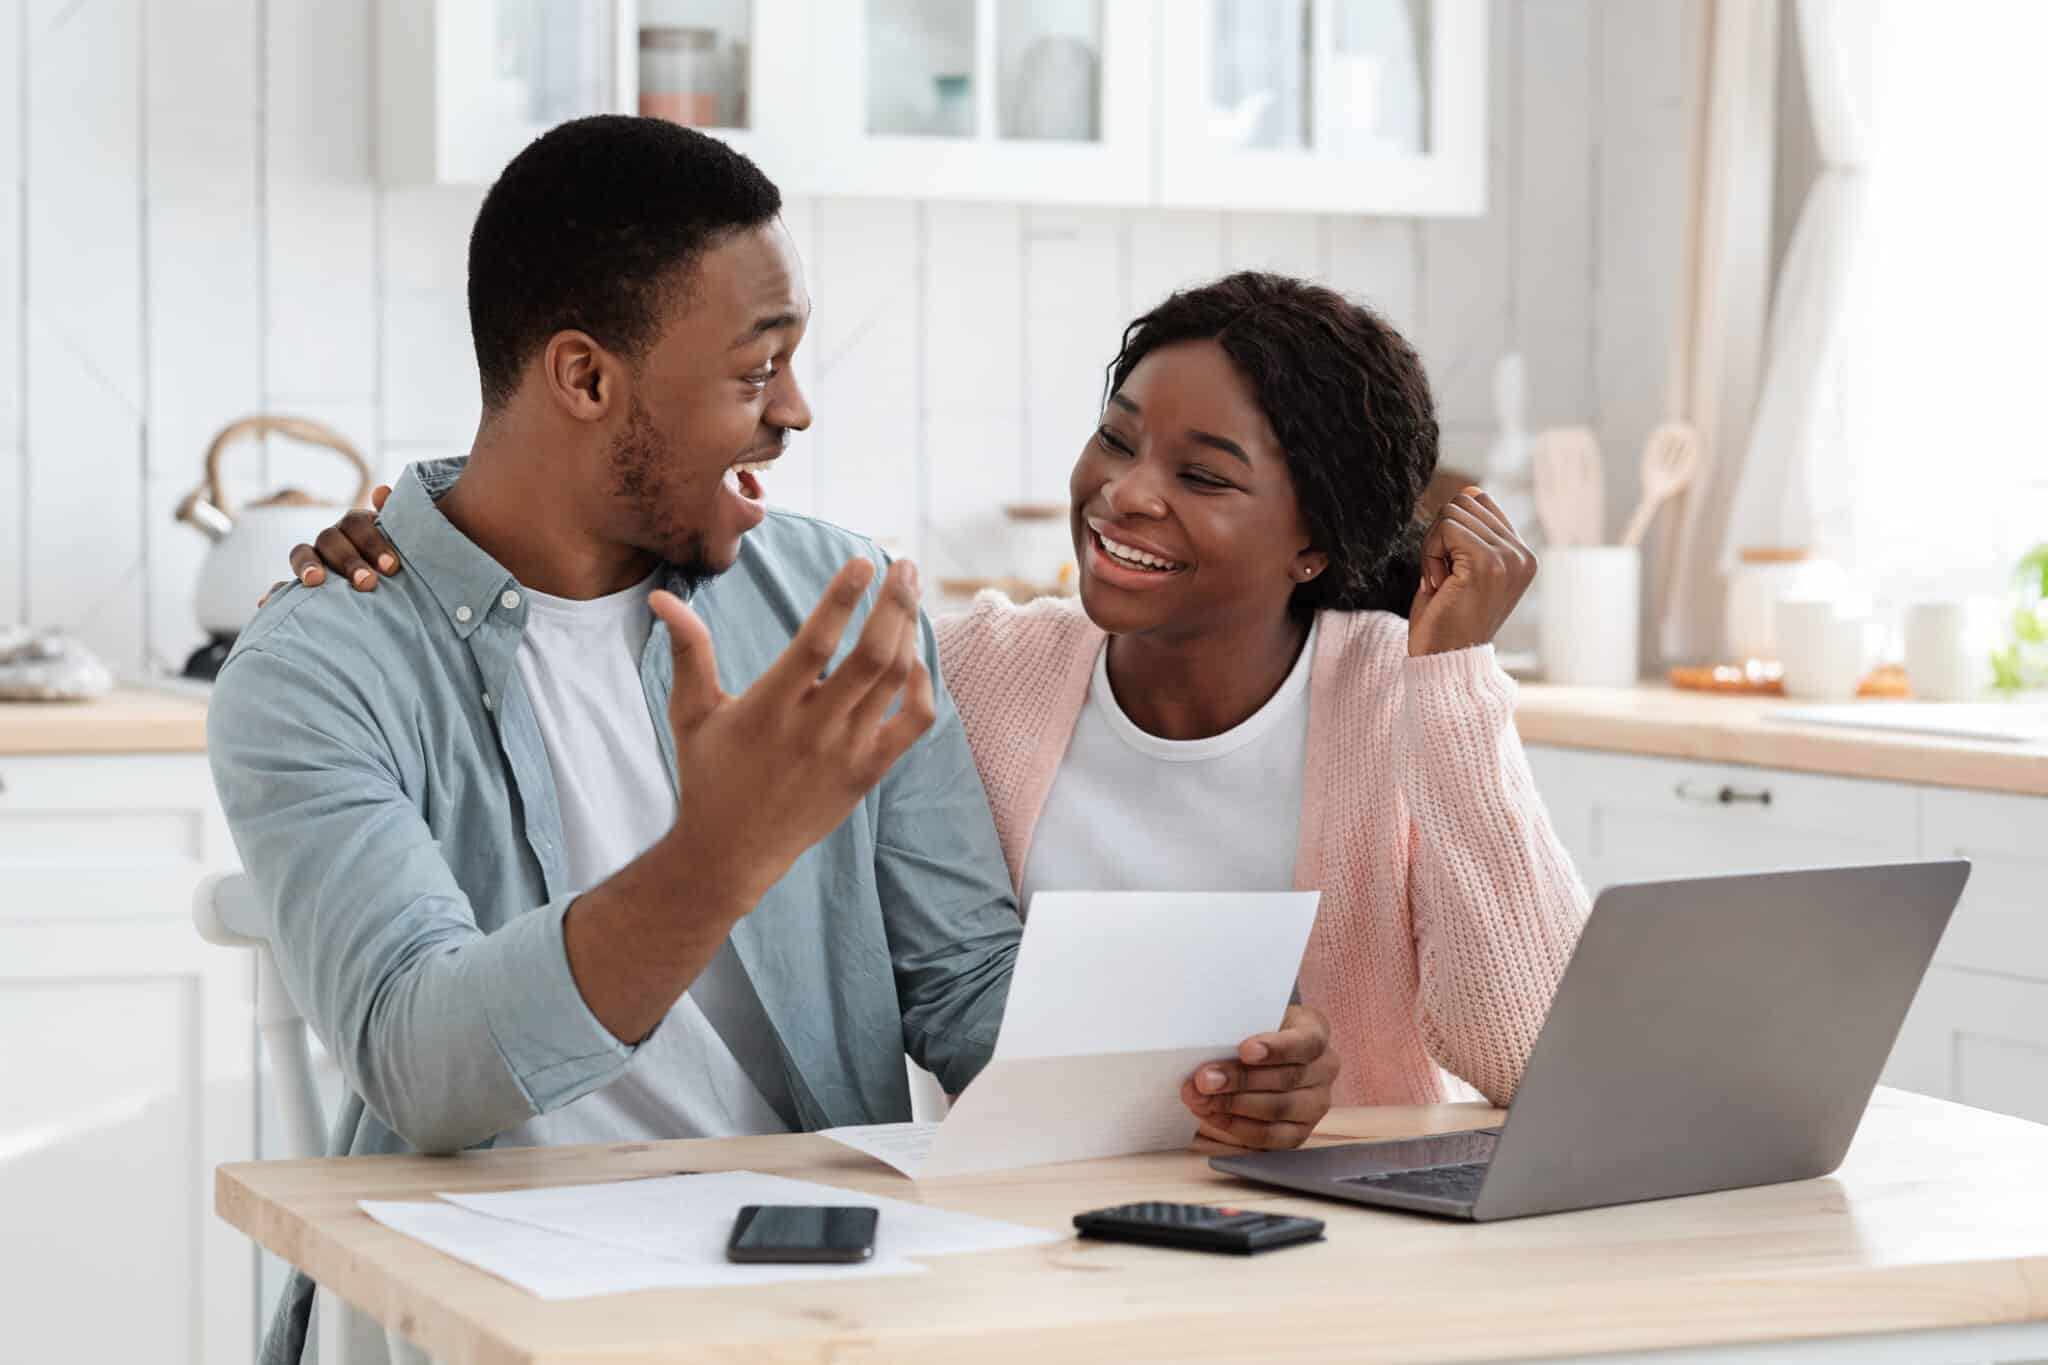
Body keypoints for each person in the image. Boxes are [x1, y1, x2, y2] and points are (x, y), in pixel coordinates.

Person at [213, 120, 1331, 1365]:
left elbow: (960, 985)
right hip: (475, 1298)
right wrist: (720, 854)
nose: (794, 411)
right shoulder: (322, 664)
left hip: (812, 1291)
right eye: (758, 369)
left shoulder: (835, 598)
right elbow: (423, 1064)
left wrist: (1209, 1063)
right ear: (585, 379)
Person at [294, 267, 1588, 1148]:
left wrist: (1455, 681)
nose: (1126, 494)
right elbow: (634, 556)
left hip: (1333, 1263)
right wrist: (429, 541)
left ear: (1318, 542)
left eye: (1202, 473)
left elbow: (1535, 1053)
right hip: (1056, 1244)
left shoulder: (1398, 699)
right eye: (1119, 437)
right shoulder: (981, 671)